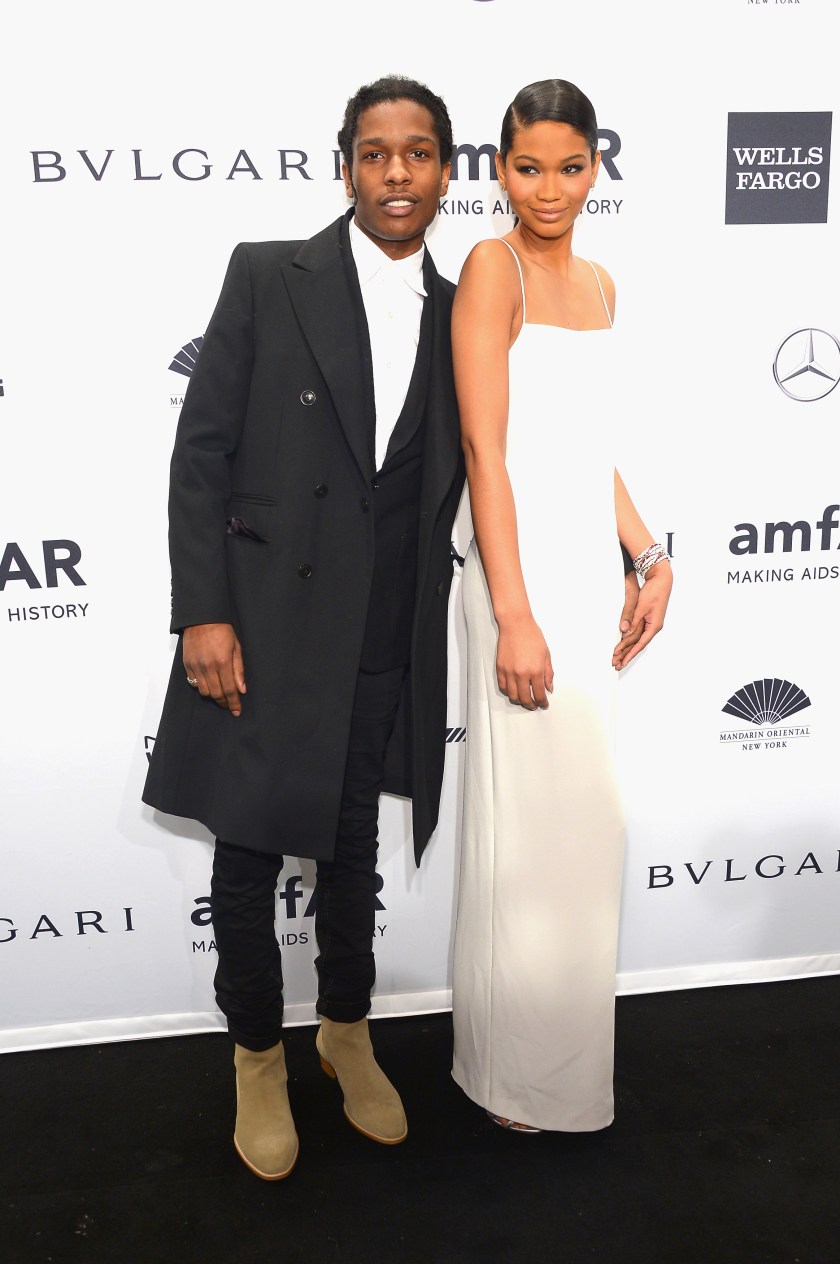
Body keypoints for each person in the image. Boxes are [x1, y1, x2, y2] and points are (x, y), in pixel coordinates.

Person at [143, 76, 465, 1180]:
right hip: (266, 621)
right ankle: (256, 1056)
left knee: (352, 844)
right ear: (345, 166)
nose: (396, 173)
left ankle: (345, 1030)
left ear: (445, 171)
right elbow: (201, 453)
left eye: (417, 152)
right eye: (375, 152)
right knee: (247, 851)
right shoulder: (267, 274)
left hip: (381, 626)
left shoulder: (462, 307)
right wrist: (204, 611)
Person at [450, 79, 672, 1134]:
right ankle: (511, 1076)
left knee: (585, 825)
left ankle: (561, 1069)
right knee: (527, 831)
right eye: (528, 167)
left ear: (596, 167)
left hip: (585, 570)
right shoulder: (491, 269)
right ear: (500, 170)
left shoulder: (602, 281)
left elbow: (588, 448)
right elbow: (483, 448)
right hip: (518, 575)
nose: (549, 188)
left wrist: (647, 553)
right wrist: (514, 612)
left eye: (570, 166)